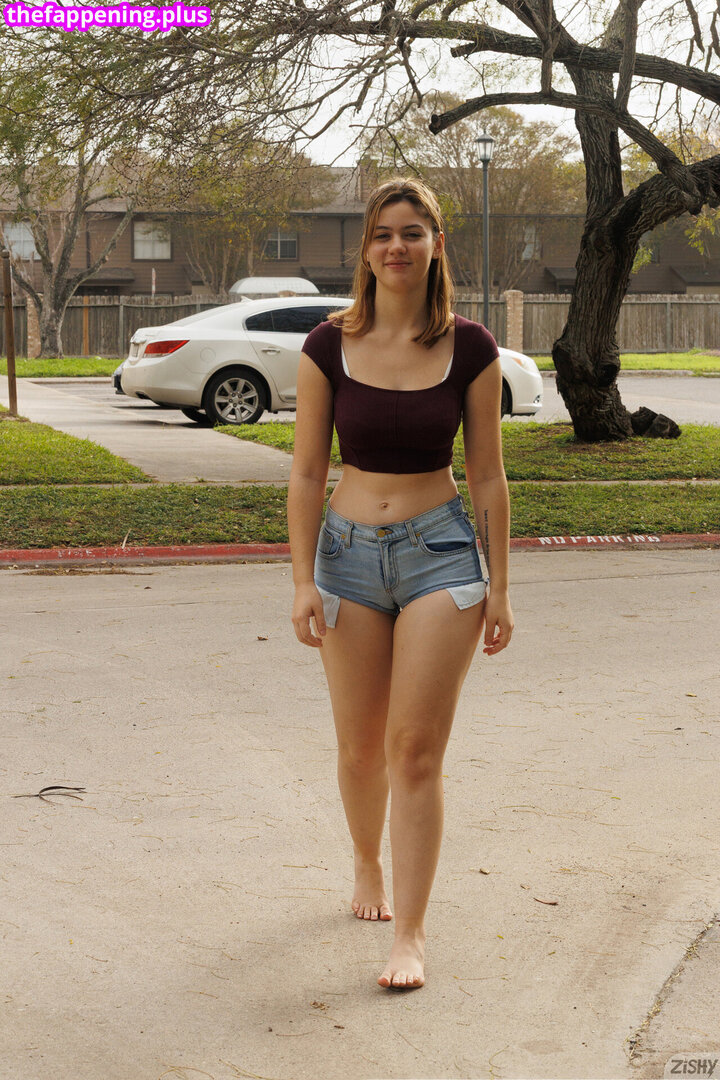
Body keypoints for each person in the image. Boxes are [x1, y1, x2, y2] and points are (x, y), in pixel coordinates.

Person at [287, 177, 513, 990]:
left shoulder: (472, 348)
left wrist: (500, 586)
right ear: (367, 249)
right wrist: (303, 580)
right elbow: (306, 474)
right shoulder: (327, 347)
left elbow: (488, 477)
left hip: (440, 554)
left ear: (436, 245)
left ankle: (410, 936)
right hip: (345, 556)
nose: (396, 247)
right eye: (383, 233)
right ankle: (366, 862)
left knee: (414, 750)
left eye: (412, 232)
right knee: (360, 747)